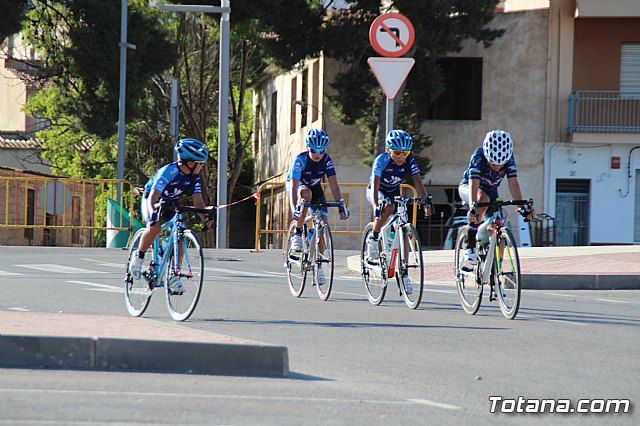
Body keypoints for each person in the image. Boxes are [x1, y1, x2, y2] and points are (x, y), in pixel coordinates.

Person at [128, 138, 212, 294]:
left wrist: (205, 217)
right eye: (200, 163)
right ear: (190, 163)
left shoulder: (194, 177)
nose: (202, 167)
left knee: (179, 236)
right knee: (155, 226)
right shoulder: (169, 171)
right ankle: (138, 257)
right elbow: (153, 195)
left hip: (170, 204)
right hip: (151, 199)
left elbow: (198, 199)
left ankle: (174, 275)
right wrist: (153, 212)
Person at [366, 129, 432, 294]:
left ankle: (403, 273)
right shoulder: (382, 160)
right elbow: (374, 184)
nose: (401, 157)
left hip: (394, 193)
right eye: (397, 153)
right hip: (377, 191)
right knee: (387, 208)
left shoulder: (409, 161)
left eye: (405, 153)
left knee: (403, 228)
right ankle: (373, 237)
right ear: (389, 150)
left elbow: (417, 182)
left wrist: (425, 201)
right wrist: (375, 205)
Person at [458, 129, 533, 265]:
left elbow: (513, 183)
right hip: (470, 187)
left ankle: (496, 271)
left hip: (491, 191)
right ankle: (469, 243)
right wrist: (473, 207)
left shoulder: (509, 158)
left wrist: (521, 207)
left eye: (501, 164)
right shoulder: (478, 156)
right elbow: (474, 185)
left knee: (499, 226)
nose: (498, 167)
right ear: (487, 156)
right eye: (493, 164)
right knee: (483, 200)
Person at [286, 128, 349, 285]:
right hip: (298, 185)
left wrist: (341, 204)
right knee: (306, 195)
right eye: (314, 149)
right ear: (308, 147)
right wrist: (295, 209)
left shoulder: (326, 160)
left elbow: (333, 184)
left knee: (323, 224)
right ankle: (298, 233)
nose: (318, 153)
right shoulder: (300, 160)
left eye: (321, 150)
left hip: (315, 187)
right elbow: (294, 187)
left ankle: (319, 268)